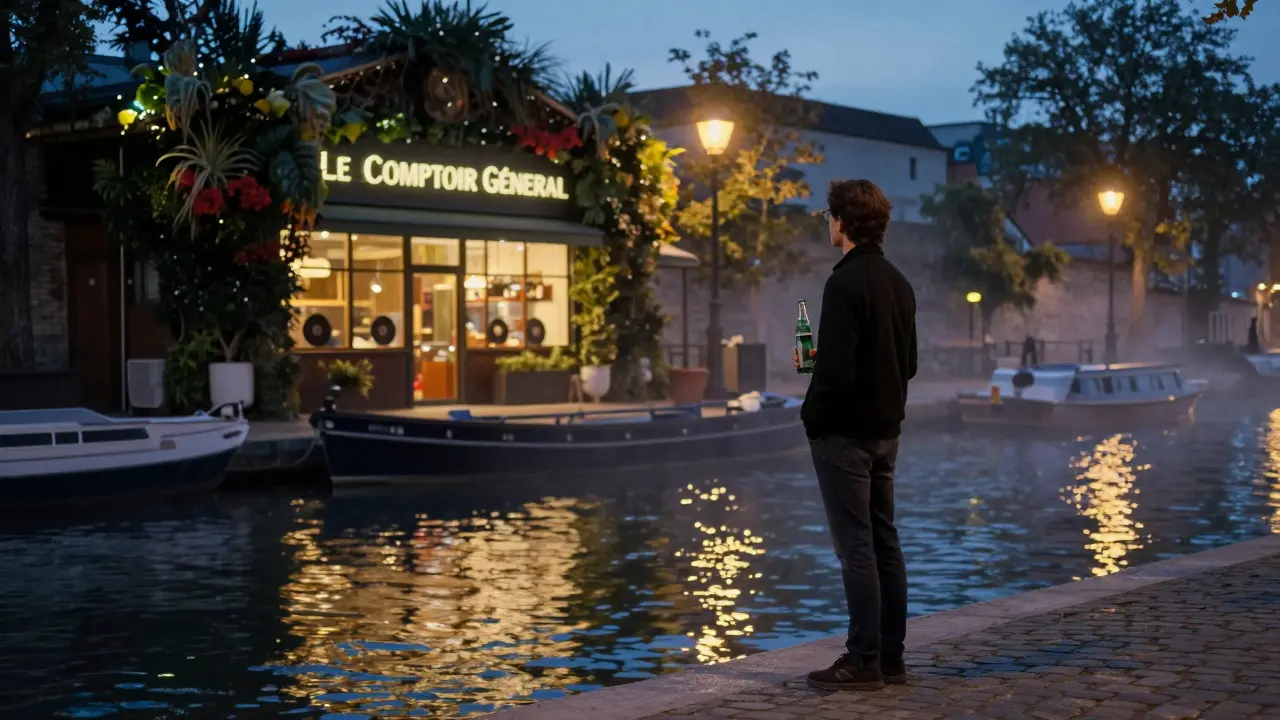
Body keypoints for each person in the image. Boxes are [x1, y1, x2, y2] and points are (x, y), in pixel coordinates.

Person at [793, 179, 917, 691]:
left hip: (843, 436)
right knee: (885, 541)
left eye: (828, 216)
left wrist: (811, 416)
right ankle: (890, 657)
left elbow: (837, 372)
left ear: (842, 221)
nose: (827, 224)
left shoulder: (842, 283)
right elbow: (906, 364)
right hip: (887, 432)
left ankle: (862, 659)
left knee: (856, 548)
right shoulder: (898, 282)